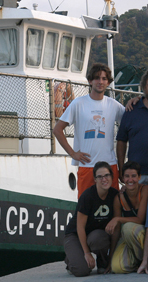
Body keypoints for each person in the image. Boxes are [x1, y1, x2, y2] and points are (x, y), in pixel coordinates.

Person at [53, 63, 125, 198]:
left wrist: (136, 101)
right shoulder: (78, 103)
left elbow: (131, 121)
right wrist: (73, 153)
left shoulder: (113, 105)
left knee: (113, 205)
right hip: (87, 166)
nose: (100, 81)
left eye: (104, 79)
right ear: (90, 81)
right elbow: (57, 130)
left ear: (108, 82)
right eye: (97, 78)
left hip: (110, 165)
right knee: (85, 207)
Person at [64, 161, 119, 277]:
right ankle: (71, 259)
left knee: (100, 238)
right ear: (95, 179)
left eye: (107, 175)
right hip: (75, 234)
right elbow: (80, 227)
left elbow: (116, 230)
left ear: (112, 177)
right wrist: (87, 253)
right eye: (100, 177)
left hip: (95, 235)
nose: (104, 179)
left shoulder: (115, 195)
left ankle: (102, 263)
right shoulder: (87, 196)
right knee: (81, 271)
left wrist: (111, 258)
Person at [106, 161, 148, 274]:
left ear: (139, 177)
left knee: (127, 228)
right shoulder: (119, 198)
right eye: (127, 176)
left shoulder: (145, 190)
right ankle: (134, 261)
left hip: (145, 235)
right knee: (117, 267)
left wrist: (118, 219)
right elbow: (116, 230)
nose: (130, 180)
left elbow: (140, 219)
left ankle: (144, 260)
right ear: (122, 178)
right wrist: (110, 258)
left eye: (133, 176)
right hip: (129, 237)